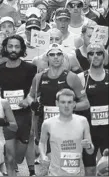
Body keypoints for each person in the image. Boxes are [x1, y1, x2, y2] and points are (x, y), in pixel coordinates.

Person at [0, 34, 38, 176]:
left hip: (24, 116)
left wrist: (28, 99)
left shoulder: (31, 69)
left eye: (17, 47)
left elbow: (35, 92)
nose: (13, 49)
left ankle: (23, 166)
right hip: (6, 117)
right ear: (5, 48)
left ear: (22, 49)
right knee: (10, 157)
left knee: (19, 157)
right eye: (10, 46)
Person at [39, 88, 95, 176]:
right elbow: (42, 142)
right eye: (63, 102)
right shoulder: (48, 123)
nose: (66, 105)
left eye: (69, 102)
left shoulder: (83, 121)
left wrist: (88, 146)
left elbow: (91, 151)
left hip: (77, 174)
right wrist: (42, 155)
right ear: (57, 103)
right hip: (55, 174)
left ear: (74, 104)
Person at [78, 45, 109, 176]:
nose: (95, 56)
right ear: (87, 57)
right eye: (91, 53)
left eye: (99, 53)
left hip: (107, 130)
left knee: (106, 168)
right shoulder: (81, 78)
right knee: (89, 169)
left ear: (104, 56)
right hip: (89, 131)